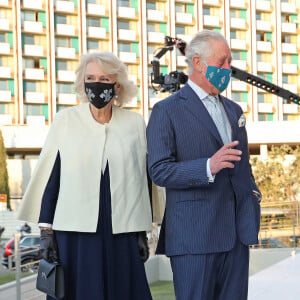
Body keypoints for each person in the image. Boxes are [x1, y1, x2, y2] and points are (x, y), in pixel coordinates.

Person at [17, 51, 153, 300]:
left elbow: (141, 180)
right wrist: (46, 232)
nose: (96, 84)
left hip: (121, 231)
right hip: (73, 233)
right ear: (82, 82)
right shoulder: (65, 120)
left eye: (104, 78)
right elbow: (51, 177)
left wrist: (142, 231)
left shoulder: (135, 123)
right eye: (90, 77)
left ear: (117, 85)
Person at [146, 30, 261, 300]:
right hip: (194, 240)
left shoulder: (234, 111)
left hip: (236, 238)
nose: (228, 69)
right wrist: (208, 166)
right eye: (222, 62)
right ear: (198, 63)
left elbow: (243, 167)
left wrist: (253, 195)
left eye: (229, 63)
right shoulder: (167, 111)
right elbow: (159, 170)